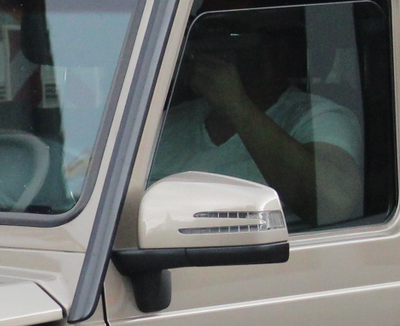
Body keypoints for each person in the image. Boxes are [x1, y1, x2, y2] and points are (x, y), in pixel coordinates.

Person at [148, 18, 361, 228]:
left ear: (279, 51)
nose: (218, 47)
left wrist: (237, 105)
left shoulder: (319, 117)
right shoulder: (165, 122)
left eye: (236, 35)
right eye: (209, 35)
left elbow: (334, 204)